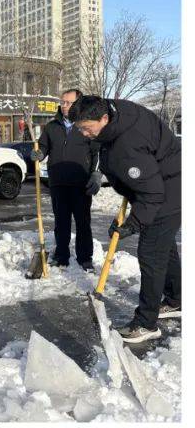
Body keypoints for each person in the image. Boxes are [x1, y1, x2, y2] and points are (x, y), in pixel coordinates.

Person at [68, 95, 181, 343]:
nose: (84, 134)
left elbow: (152, 194)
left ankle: (146, 323)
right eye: (80, 129)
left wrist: (134, 223)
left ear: (104, 118)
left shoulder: (128, 146)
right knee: (164, 246)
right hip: (160, 179)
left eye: (86, 128)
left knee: (151, 252)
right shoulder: (112, 113)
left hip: (168, 190)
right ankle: (176, 300)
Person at [30, 88, 101, 271]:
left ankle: (85, 257)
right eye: (62, 102)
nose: (64, 105)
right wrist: (39, 153)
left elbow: (97, 153)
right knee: (61, 222)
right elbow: (43, 146)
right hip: (58, 182)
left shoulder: (86, 125)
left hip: (81, 184)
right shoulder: (52, 127)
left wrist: (96, 174)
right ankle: (61, 255)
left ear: (79, 103)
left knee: (83, 222)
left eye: (69, 102)